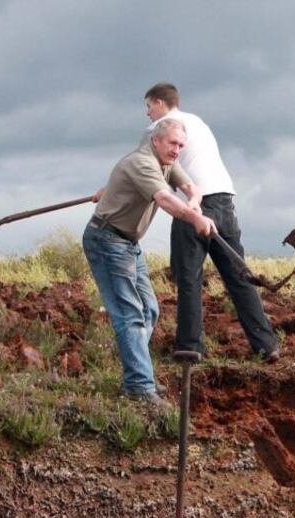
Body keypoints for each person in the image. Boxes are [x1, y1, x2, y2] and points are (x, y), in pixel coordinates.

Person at [84, 117, 217, 409]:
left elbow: (191, 188)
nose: (177, 149)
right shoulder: (142, 163)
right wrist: (195, 218)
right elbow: (166, 200)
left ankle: (137, 375)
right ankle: (140, 386)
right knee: (130, 314)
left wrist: (195, 202)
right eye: (172, 143)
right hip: (107, 240)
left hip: (129, 243)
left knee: (149, 310)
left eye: (181, 145)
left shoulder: (168, 161)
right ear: (155, 141)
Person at [144, 83, 280, 362]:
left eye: (148, 106)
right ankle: (266, 345)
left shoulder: (162, 129)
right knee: (238, 276)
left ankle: (190, 348)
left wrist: (108, 190)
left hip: (196, 206)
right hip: (225, 201)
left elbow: (142, 167)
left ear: (159, 103)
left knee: (189, 278)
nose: (147, 114)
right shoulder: (198, 123)